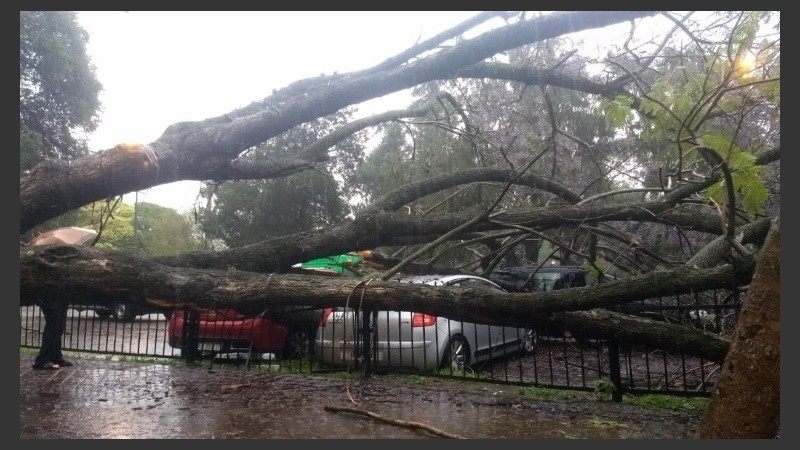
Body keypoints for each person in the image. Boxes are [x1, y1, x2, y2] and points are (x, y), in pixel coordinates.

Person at [32, 301, 72, 370]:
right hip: (51, 297)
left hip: (60, 297)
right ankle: (42, 359)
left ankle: (55, 356)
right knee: (53, 324)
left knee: (58, 326)